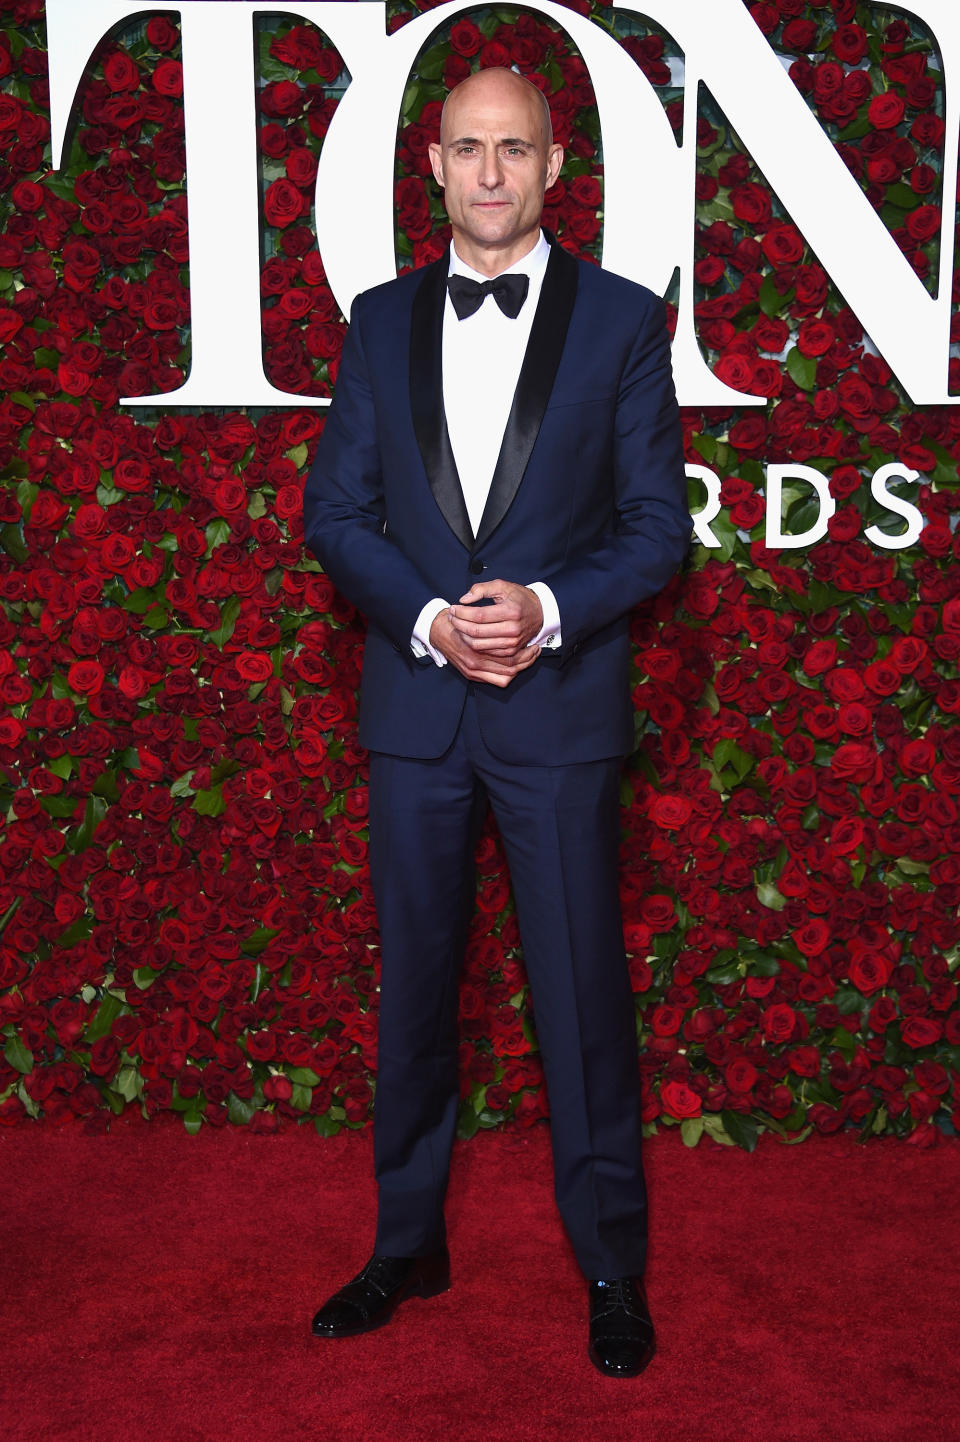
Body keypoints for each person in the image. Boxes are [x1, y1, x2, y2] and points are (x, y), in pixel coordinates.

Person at [301, 65, 692, 1378]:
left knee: (580, 999)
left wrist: (539, 605)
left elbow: (655, 531)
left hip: (558, 713)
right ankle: (407, 1240)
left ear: (556, 167)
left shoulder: (625, 324)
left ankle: (610, 1268)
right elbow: (336, 517)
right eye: (466, 149)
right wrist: (427, 617)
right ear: (431, 164)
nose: (488, 174)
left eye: (512, 149)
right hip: (415, 709)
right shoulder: (377, 320)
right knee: (413, 989)